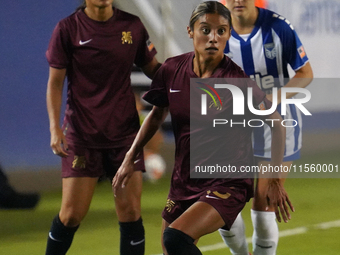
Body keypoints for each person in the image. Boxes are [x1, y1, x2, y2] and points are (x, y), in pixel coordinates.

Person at [112, 2, 293, 255]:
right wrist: (131, 156)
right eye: (205, 29)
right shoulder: (172, 70)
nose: (213, 38)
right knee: (171, 249)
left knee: (176, 238)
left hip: (227, 181)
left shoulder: (236, 81)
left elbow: (277, 123)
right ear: (190, 31)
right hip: (184, 181)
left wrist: (273, 179)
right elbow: (156, 116)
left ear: (228, 35)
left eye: (221, 31)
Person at [45, 0, 160, 254]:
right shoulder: (67, 29)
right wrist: (55, 128)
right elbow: (55, 83)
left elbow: (154, 70)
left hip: (125, 135)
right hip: (82, 135)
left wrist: (187, 76)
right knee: (71, 215)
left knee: (130, 213)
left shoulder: (132, 26)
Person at [218, 1, 313, 255]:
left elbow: (305, 73)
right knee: (220, 204)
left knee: (264, 207)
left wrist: (273, 100)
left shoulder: (278, 28)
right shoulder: (217, 31)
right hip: (235, 127)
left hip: (279, 125)